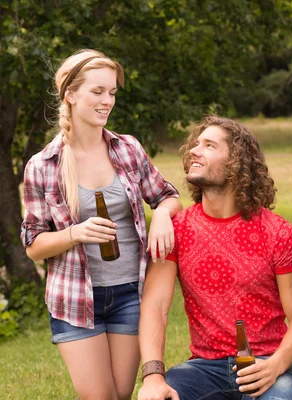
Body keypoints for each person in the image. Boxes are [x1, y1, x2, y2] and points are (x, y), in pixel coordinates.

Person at [21, 49, 182, 400]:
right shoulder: (43, 164)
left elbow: (168, 195)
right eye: (98, 92)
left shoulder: (127, 149)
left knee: (121, 396)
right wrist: (74, 234)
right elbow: (33, 245)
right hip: (75, 299)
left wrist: (163, 216)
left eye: (111, 92)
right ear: (70, 94)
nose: (107, 100)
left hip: (128, 294)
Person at [137, 116, 292, 400]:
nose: (194, 150)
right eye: (196, 144)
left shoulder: (277, 232)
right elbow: (155, 306)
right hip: (204, 369)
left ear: (236, 163)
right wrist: (154, 377)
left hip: (268, 364)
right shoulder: (177, 230)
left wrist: (276, 365)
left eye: (209, 145)